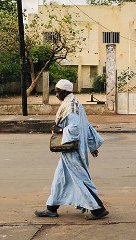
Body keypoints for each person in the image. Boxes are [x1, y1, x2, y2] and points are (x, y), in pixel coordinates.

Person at [35, 79, 109, 220]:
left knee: (81, 179)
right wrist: (92, 145)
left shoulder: (70, 106)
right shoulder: (75, 103)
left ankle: (98, 209)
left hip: (72, 151)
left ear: (64, 91)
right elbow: (85, 126)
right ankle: (51, 208)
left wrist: (60, 129)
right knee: (59, 179)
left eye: (57, 91)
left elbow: (75, 129)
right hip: (70, 151)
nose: (56, 94)